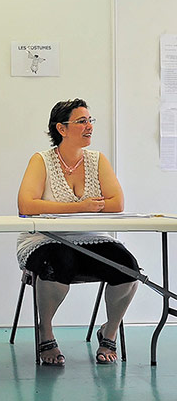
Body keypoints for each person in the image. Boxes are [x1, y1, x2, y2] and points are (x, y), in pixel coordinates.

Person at [17, 98, 139, 366]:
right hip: (44, 240)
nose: (89, 127)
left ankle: (109, 332)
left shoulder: (97, 160)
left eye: (90, 120)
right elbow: (27, 205)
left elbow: (117, 203)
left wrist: (77, 210)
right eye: (82, 121)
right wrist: (80, 207)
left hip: (90, 238)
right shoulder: (42, 160)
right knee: (58, 262)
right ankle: (45, 332)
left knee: (128, 266)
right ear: (61, 129)